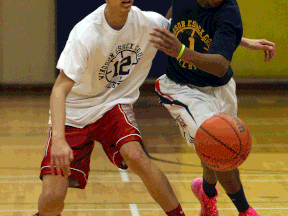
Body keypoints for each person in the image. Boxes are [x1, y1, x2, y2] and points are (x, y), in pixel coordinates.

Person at [33, 0, 187, 215]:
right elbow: (59, 90)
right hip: (75, 111)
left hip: (112, 103)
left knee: (135, 155)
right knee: (52, 197)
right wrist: (59, 140)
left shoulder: (150, 23)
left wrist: (238, 40)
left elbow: (190, 25)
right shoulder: (86, 33)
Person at [149, 0, 276, 215]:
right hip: (183, 88)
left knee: (217, 150)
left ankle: (206, 192)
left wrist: (181, 50)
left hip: (220, 88)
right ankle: (245, 210)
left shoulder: (229, 10)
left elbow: (220, 66)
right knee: (217, 142)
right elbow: (174, 17)